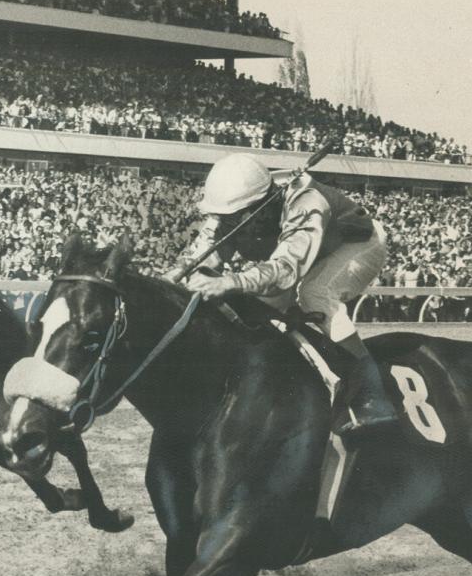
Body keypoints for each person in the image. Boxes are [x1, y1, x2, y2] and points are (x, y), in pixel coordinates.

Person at [166, 153, 400, 439]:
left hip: (358, 245)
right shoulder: (233, 205)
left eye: (232, 217)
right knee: (259, 310)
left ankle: (371, 394)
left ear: (258, 208)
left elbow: (285, 271)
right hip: (309, 252)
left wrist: (230, 281)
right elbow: (201, 255)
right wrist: (172, 277)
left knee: (315, 294)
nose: (224, 223)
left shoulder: (307, 203)